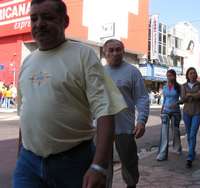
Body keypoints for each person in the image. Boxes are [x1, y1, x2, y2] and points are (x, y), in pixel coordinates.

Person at [12, 1, 127, 188]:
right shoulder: (27, 62)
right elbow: (25, 114)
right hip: (28, 163)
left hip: (74, 162)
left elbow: (105, 111)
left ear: (65, 21)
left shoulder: (84, 55)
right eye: (34, 18)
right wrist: (20, 157)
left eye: (47, 17)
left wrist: (98, 166)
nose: (39, 24)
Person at [103, 39, 150, 188]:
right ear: (105, 53)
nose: (115, 53)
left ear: (123, 52)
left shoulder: (132, 72)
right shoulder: (98, 72)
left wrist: (141, 120)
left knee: (129, 165)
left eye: (118, 49)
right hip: (101, 128)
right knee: (102, 167)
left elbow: (142, 97)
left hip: (125, 128)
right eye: (111, 50)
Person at [156, 69, 182, 161]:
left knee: (175, 131)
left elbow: (183, 99)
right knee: (164, 132)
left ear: (174, 76)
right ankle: (162, 154)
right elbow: (164, 100)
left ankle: (177, 148)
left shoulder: (179, 87)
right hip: (166, 111)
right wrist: (161, 111)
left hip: (176, 112)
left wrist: (177, 102)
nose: (169, 77)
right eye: (167, 75)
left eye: (170, 75)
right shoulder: (165, 87)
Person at [181, 67, 200, 168]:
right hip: (186, 112)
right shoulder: (184, 85)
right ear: (187, 75)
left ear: (196, 75)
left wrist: (190, 94)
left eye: (194, 73)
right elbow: (183, 98)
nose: (192, 75)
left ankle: (190, 157)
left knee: (193, 134)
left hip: (197, 112)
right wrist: (193, 95)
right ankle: (192, 151)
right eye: (190, 73)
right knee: (189, 134)